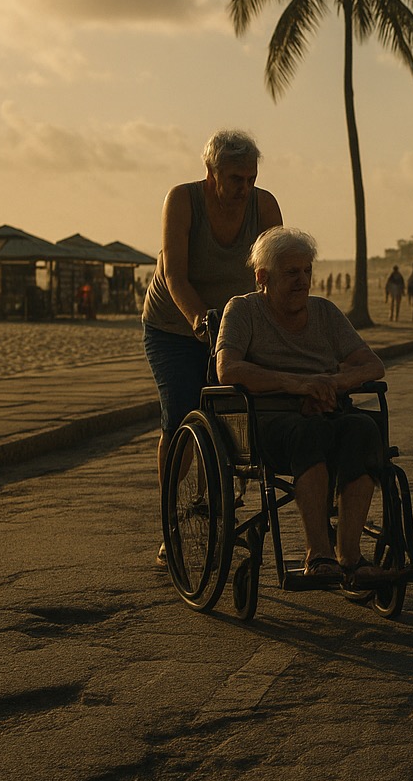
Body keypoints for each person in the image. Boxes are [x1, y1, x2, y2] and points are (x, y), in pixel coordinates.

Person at [216, 227, 393, 593]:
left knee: (364, 431)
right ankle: (319, 555)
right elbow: (228, 370)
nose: (303, 280)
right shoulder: (243, 310)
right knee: (309, 432)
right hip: (268, 421)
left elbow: (372, 365)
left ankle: (350, 557)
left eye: (307, 270)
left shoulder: (324, 312)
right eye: (292, 272)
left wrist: (332, 384)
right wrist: (298, 385)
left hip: (326, 413)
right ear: (263, 277)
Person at [141, 129, 282, 566]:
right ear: (211, 172)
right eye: (236, 178)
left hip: (233, 325)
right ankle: (170, 522)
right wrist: (200, 321)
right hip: (174, 326)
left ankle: (221, 498)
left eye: (251, 178)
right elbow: (174, 275)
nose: (245, 188)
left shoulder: (264, 206)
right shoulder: (183, 200)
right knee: (181, 414)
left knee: (245, 410)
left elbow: (274, 271)